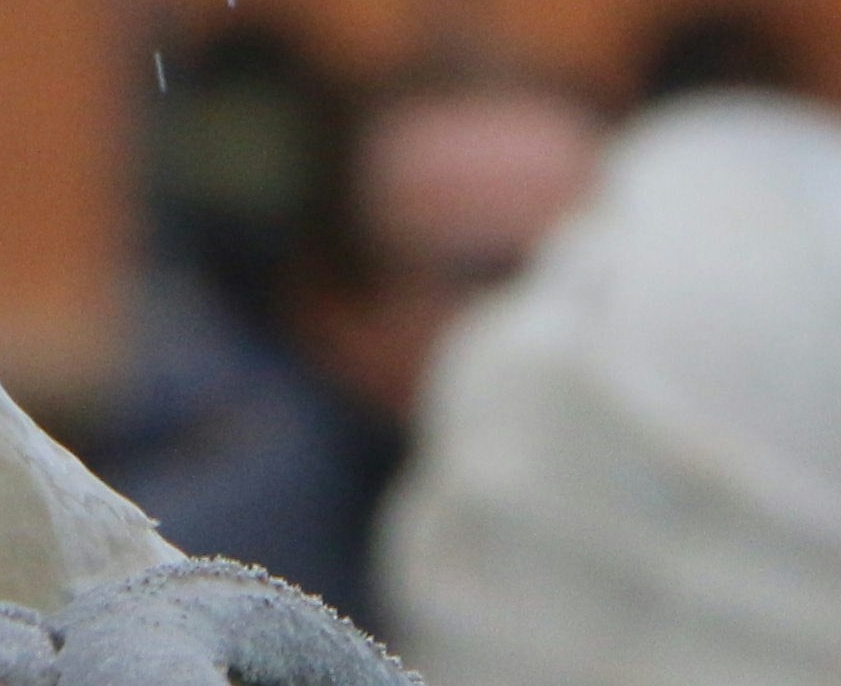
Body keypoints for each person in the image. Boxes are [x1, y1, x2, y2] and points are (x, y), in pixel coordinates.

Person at [133, 53, 607, 623]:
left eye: (596, 274)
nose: (558, 319)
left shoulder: (699, 537)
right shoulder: (198, 586)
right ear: (338, 306)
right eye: (490, 274)